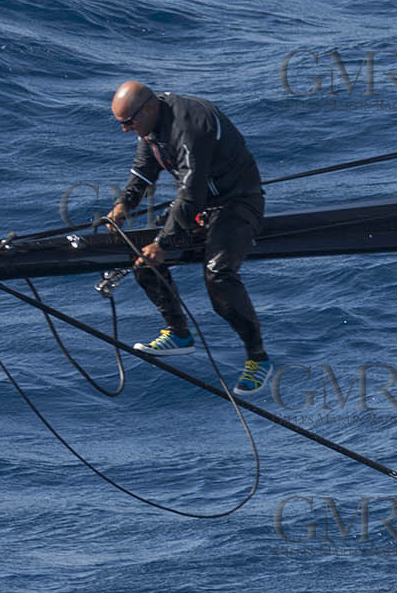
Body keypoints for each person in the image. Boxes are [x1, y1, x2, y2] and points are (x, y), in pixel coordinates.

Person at [102, 80, 272, 396]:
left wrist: (163, 244)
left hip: (236, 202)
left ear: (148, 107)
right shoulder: (150, 123)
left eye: (128, 122)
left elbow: (191, 195)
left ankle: (258, 357)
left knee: (219, 275)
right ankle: (179, 334)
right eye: (121, 124)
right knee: (142, 260)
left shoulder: (190, 125)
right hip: (200, 206)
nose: (125, 130)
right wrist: (125, 203)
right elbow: (143, 170)